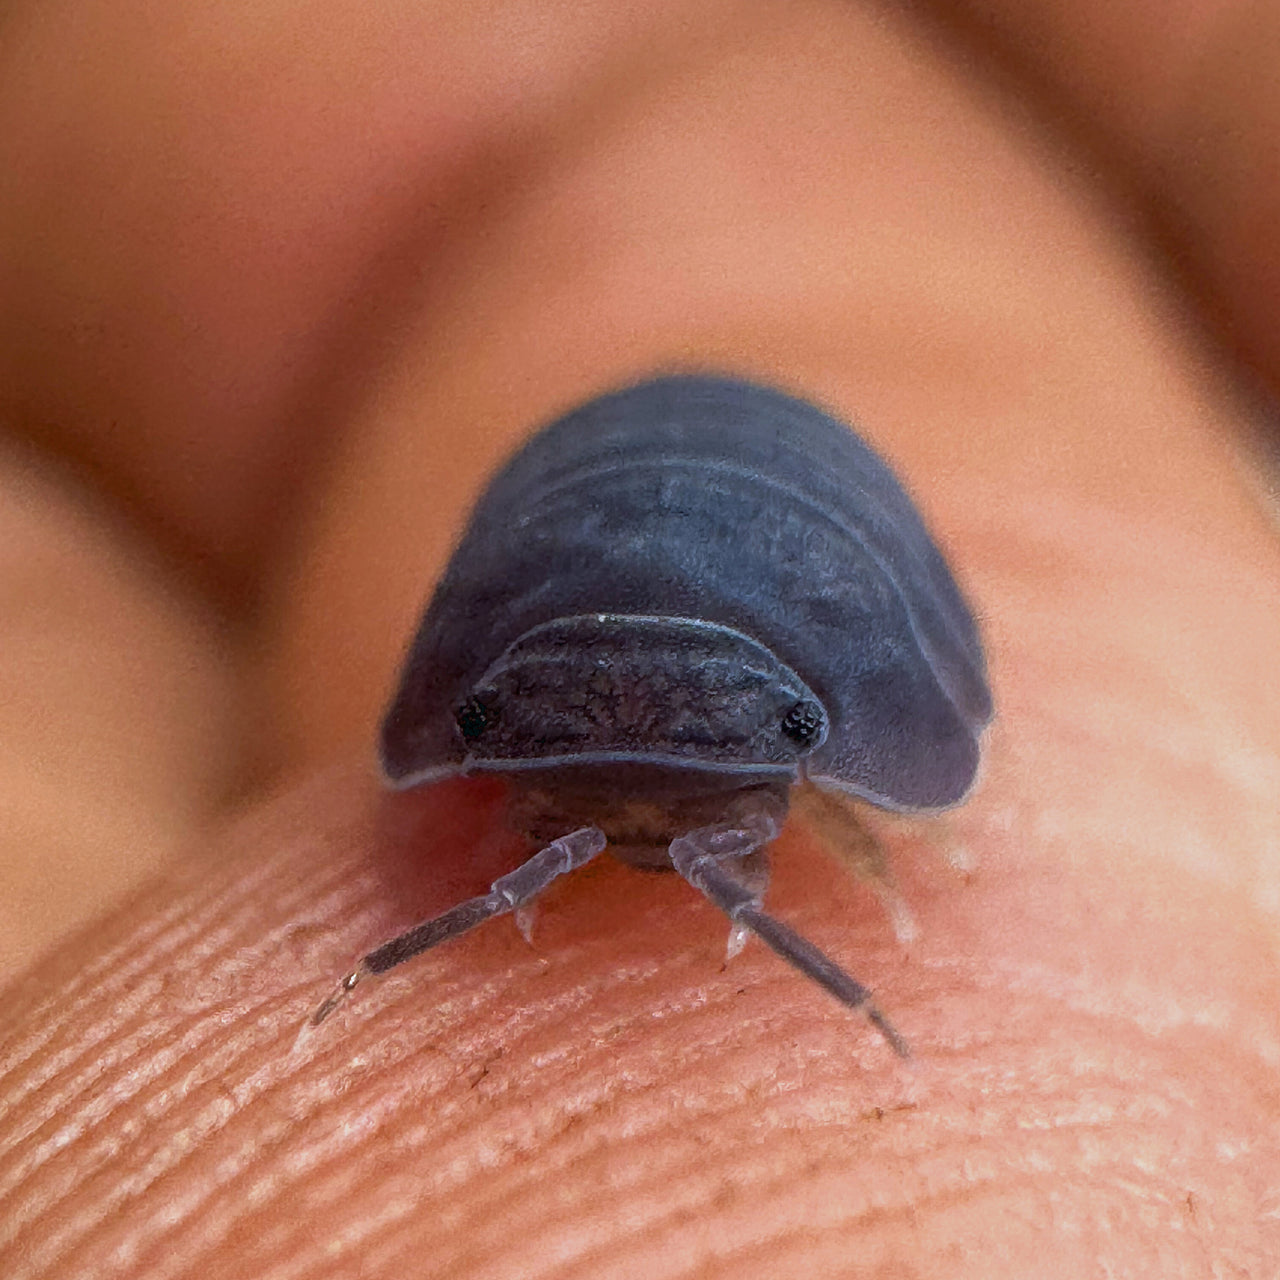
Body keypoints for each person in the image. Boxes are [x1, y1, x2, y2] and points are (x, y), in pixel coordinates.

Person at [0, 1, 1276, 1274]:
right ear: (469, 705)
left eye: (778, 733)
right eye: (502, 720)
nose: (646, 813)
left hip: (750, 482)